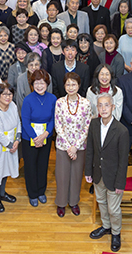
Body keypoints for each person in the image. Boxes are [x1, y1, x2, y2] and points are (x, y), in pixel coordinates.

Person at [86, 94, 129, 253]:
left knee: (113, 208)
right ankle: (106, 226)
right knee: (101, 202)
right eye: (100, 105)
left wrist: (120, 183)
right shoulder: (94, 124)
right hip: (98, 173)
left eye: (106, 105)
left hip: (114, 176)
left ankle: (116, 232)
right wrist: (88, 171)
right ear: (97, 108)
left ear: (113, 107)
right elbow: (90, 149)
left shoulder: (122, 131)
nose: (103, 108)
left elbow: (123, 160)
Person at [53, 73, 92, 217]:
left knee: (76, 176)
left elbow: (87, 126)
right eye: (68, 84)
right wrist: (69, 146)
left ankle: (74, 202)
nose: (71, 87)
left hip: (79, 147)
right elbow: (58, 125)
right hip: (63, 146)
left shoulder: (86, 103)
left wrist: (76, 146)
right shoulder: (59, 102)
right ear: (64, 86)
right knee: (62, 176)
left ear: (79, 86)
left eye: (73, 84)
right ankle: (61, 203)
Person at [21, 70, 57, 207]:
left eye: (42, 83)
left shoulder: (52, 98)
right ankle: (32, 193)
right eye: (36, 83)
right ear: (32, 84)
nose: (39, 86)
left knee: (43, 164)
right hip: (29, 138)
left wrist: (44, 135)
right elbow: (25, 121)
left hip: (46, 137)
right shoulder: (28, 99)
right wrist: (36, 138)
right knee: (30, 166)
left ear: (47, 84)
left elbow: (53, 119)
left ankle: (41, 191)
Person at [0, 83, 21, 213]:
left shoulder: (13, 105)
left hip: (12, 143)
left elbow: (18, 123)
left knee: (6, 169)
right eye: (4, 94)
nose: (8, 97)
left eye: (10, 94)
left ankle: (2, 193)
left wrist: (17, 140)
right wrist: (10, 145)